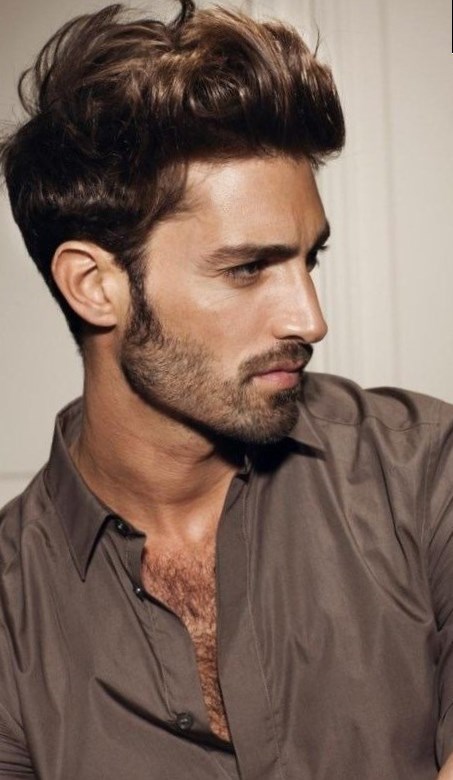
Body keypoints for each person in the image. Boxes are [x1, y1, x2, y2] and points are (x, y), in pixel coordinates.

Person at [0, 1, 452, 777]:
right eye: (247, 268)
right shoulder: (13, 615)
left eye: (308, 260)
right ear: (95, 286)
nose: (309, 319)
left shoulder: (421, 472)